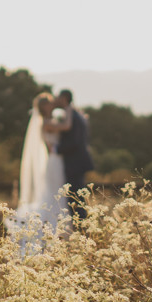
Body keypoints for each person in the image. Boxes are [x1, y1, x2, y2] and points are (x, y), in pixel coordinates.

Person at [9, 92, 71, 253]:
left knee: (57, 193)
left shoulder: (49, 121)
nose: (53, 105)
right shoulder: (45, 123)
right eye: (50, 103)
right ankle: (52, 228)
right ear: (44, 106)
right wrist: (69, 109)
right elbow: (66, 126)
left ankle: (59, 229)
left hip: (57, 160)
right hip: (53, 161)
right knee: (54, 193)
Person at [55, 89, 93, 226]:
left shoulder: (73, 117)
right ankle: (80, 225)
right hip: (77, 162)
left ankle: (81, 226)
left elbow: (74, 142)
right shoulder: (75, 114)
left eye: (58, 97)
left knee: (75, 196)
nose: (56, 100)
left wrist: (56, 149)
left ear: (64, 98)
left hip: (75, 162)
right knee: (77, 195)